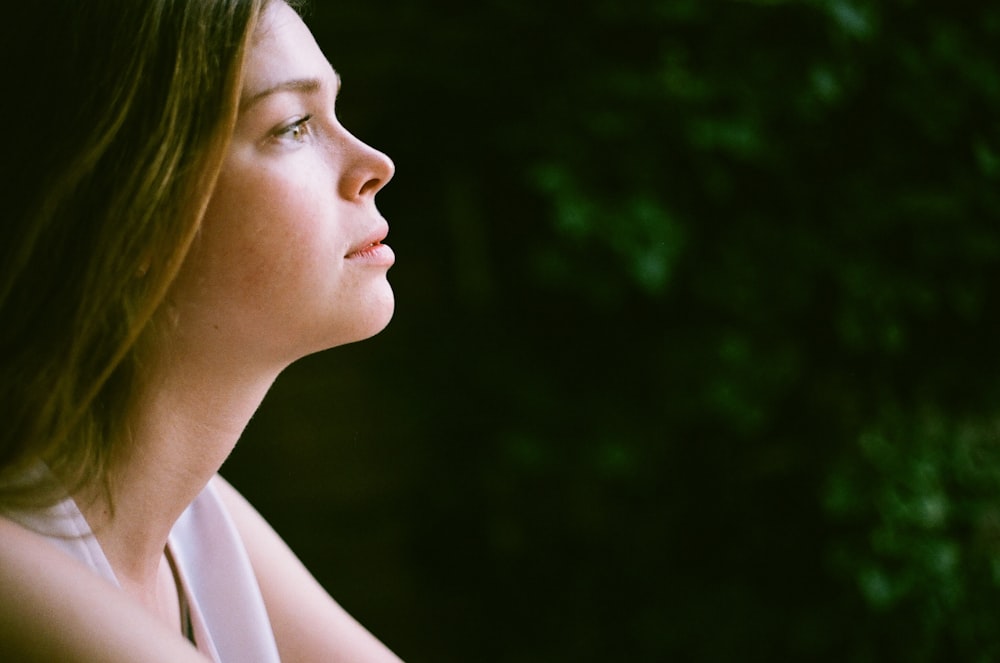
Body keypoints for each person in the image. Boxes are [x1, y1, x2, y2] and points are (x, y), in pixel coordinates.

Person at [0, 0, 403, 661]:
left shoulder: (193, 517)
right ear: (130, 205)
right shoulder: (15, 576)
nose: (375, 163)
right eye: (294, 125)